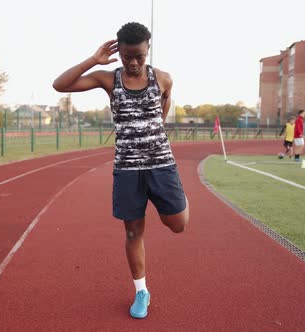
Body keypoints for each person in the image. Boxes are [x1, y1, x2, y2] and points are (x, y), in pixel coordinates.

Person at [52, 22, 189, 319]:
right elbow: (59, 85)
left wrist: (154, 130)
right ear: (120, 51)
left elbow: (164, 107)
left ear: (147, 49)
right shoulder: (109, 79)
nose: (134, 62)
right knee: (132, 231)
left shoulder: (163, 78)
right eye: (128, 56)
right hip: (127, 169)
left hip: (161, 165)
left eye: (139, 55)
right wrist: (92, 60)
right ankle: (141, 291)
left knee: (178, 224)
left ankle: (178, 200)